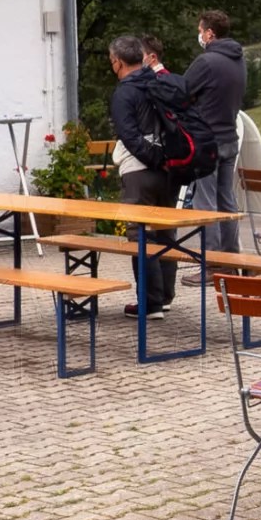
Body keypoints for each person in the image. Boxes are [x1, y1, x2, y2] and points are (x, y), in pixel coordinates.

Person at [107, 35, 189, 317]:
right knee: (166, 233)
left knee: (141, 235)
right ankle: (165, 296)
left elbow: (129, 136)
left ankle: (150, 303)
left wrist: (153, 158)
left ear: (116, 62)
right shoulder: (158, 82)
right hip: (169, 171)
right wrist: (166, 161)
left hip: (139, 172)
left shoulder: (124, 93)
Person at [180, 10, 246, 254]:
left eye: (200, 31)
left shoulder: (206, 62)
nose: (199, 35)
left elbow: (182, 92)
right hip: (230, 136)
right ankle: (231, 256)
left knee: (204, 202)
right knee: (226, 200)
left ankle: (212, 260)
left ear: (209, 33)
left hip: (206, 140)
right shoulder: (238, 59)